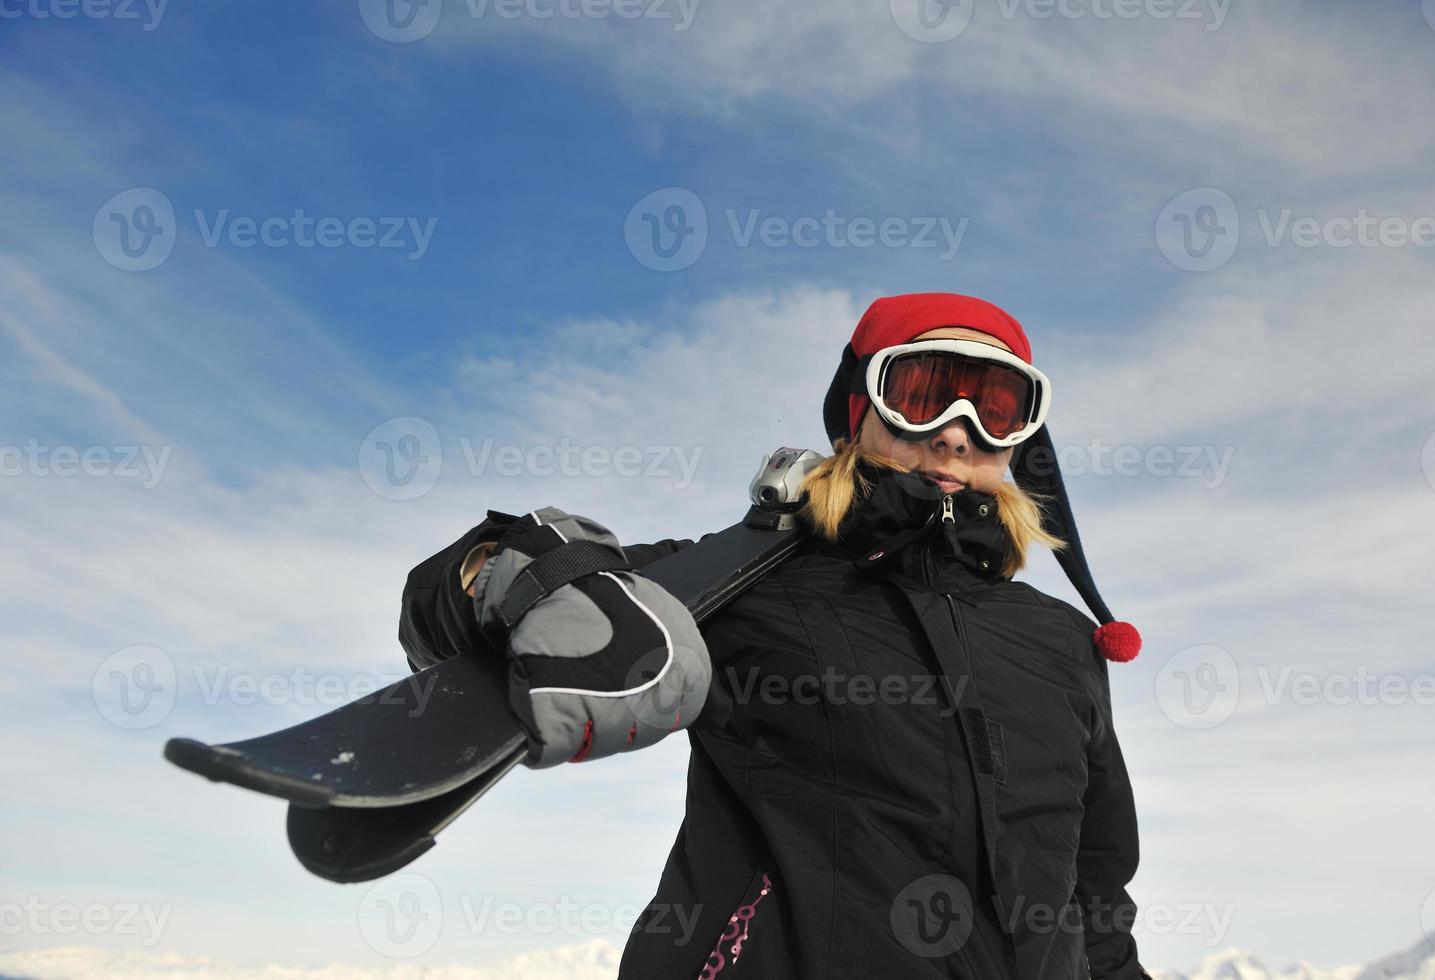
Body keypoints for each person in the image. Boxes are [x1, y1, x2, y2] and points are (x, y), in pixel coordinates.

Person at [398, 292, 1148, 979]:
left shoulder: (1061, 642)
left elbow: (1097, 897)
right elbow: (449, 610)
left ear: (1021, 433)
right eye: (921, 394)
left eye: (994, 403)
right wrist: (504, 572)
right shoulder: (750, 583)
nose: (956, 433)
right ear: (861, 411)